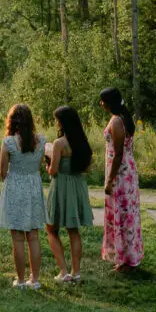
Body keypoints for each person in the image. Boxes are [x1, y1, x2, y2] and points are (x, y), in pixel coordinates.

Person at [0, 102, 47, 289]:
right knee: (33, 236)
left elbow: (2, 172)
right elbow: (39, 164)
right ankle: (35, 280)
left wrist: (11, 179)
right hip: (34, 187)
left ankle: (19, 280)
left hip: (15, 187)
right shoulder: (41, 141)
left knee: (17, 237)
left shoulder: (8, 142)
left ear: (12, 122)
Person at [45, 105, 93, 283]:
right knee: (73, 230)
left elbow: (53, 171)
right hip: (77, 185)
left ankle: (63, 271)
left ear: (63, 122)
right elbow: (87, 167)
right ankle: (76, 272)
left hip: (61, 186)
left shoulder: (59, 144)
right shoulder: (82, 142)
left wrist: (47, 163)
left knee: (51, 228)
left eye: (57, 120)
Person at [99, 87, 143, 271]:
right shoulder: (124, 117)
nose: (101, 104)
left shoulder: (117, 121)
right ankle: (127, 258)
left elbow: (118, 154)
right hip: (127, 172)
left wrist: (109, 181)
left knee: (122, 215)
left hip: (121, 174)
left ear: (109, 103)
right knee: (126, 215)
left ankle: (126, 260)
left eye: (102, 101)